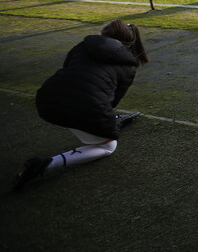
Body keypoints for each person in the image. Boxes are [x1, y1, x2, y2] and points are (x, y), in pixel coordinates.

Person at [14, 20, 148, 190]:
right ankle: (46, 164)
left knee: (84, 108)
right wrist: (108, 124)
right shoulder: (128, 66)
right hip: (84, 107)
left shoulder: (83, 46)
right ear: (131, 42)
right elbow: (112, 100)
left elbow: (68, 68)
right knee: (109, 146)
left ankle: (106, 121)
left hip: (47, 99)